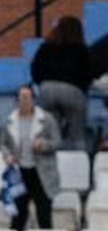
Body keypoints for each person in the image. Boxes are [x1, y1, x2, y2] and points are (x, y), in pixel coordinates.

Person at [1, 85, 60, 231]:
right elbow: (3, 144)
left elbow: (57, 141)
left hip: (41, 172)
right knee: (18, 215)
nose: (25, 101)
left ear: (34, 99)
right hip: (20, 172)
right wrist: (7, 156)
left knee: (44, 214)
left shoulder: (47, 120)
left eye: (28, 97)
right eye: (22, 98)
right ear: (17, 100)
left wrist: (43, 145)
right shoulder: (9, 121)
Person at [30, 15, 94, 151]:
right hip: (73, 91)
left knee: (48, 134)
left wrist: (44, 82)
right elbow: (89, 74)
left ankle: (47, 165)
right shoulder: (81, 50)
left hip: (47, 89)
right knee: (76, 136)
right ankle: (77, 164)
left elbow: (35, 70)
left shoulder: (46, 47)